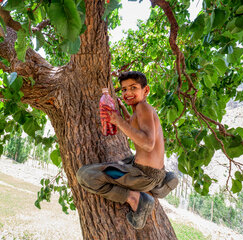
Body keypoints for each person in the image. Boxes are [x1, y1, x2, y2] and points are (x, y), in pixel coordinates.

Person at [76, 71, 178, 229]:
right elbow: (133, 124)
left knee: (85, 175)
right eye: (124, 90)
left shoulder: (143, 107)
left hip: (143, 175)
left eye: (133, 88)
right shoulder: (141, 109)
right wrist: (122, 108)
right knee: (122, 161)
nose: (128, 93)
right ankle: (159, 185)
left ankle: (136, 198)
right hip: (152, 171)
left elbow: (148, 143)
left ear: (146, 90)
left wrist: (118, 121)